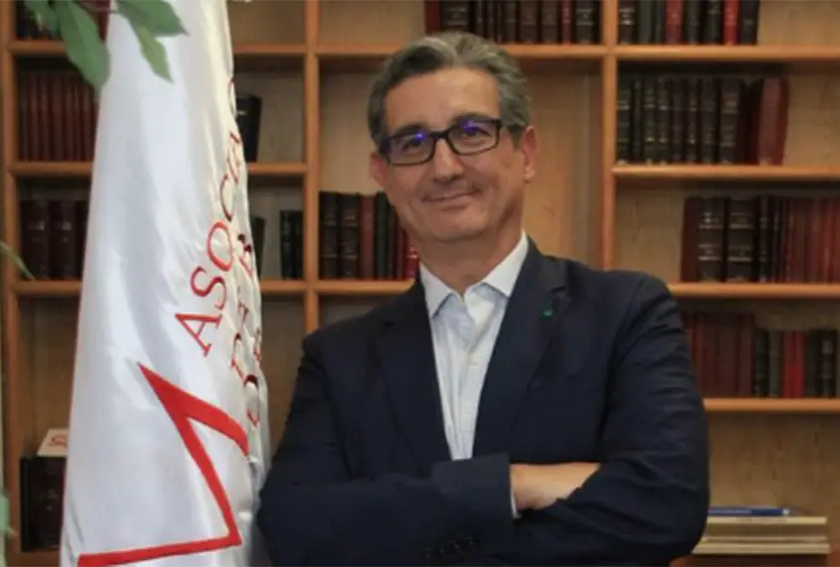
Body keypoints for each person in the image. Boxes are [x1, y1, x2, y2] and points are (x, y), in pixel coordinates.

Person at [255, 31, 710, 566]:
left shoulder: (625, 313)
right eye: (412, 142)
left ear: (527, 153)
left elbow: (665, 507)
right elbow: (295, 530)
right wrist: (510, 487)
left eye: (471, 132)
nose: (444, 167)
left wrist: (409, 529)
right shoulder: (339, 358)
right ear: (384, 175)